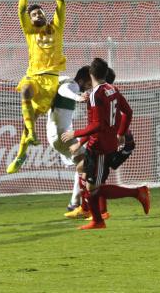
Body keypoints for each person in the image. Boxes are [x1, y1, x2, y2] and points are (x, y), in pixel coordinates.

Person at [62, 58, 150, 230]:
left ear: (91, 74)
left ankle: (136, 194)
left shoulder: (96, 95)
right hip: (101, 143)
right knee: (86, 177)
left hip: (101, 146)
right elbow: (128, 111)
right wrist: (121, 133)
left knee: (94, 188)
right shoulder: (112, 89)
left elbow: (97, 125)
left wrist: (76, 134)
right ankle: (93, 214)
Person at [7, 0, 67, 174]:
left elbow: (60, 1)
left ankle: (21, 153)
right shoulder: (30, 32)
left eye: (40, 12)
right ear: (30, 20)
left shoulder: (56, 28)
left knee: (29, 121)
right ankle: (32, 135)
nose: (38, 15)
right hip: (33, 76)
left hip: (50, 81)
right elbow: (21, 9)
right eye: (34, 15)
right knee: (24, 90)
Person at [45, 66, 92, 214]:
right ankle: (78, 204)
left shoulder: (68, 82)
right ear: (83, 80)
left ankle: (75, 203)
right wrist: (78, 97)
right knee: (87, 162)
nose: (90, 87)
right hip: (61, 134)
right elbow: (63, 90)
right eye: (89, 83)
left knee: (83, 163)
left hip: (58, 134)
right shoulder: (72, 85)